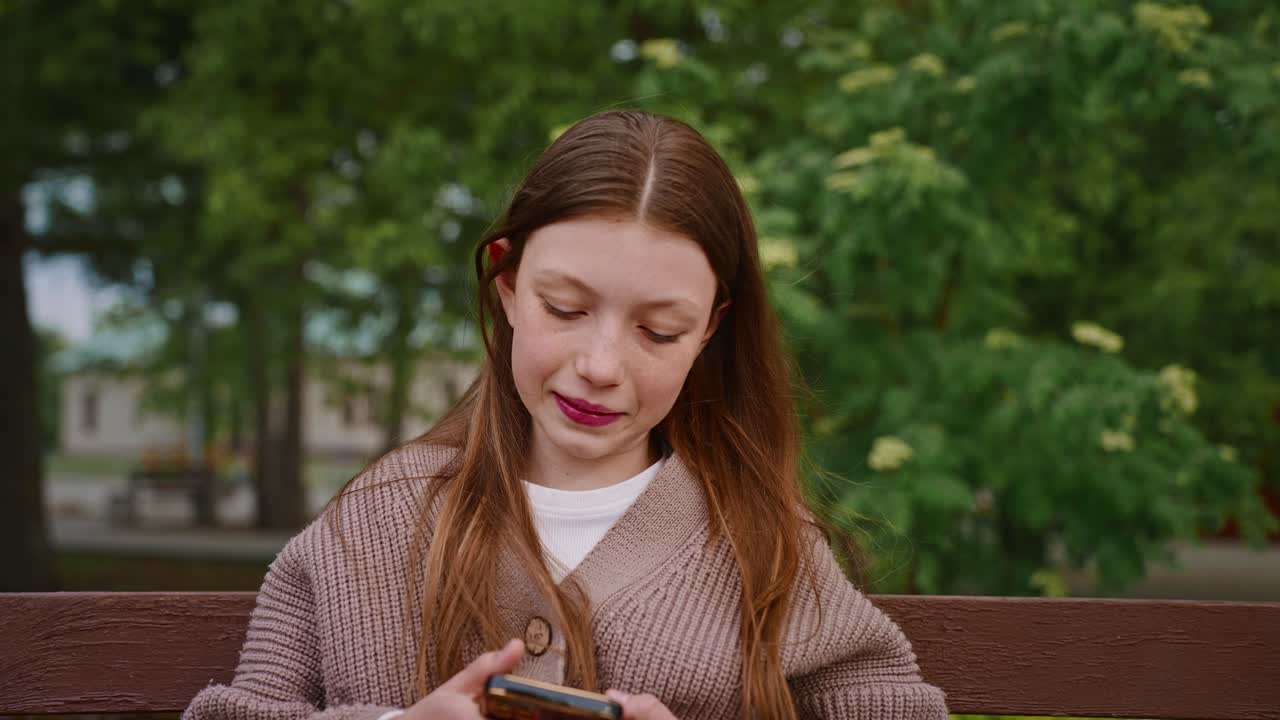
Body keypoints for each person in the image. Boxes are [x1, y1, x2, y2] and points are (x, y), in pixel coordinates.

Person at [182, 110, 948, 720]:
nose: (602, 366)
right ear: (507, 283)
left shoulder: (767, 547)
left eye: (658, 331)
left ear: (710, 329)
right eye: (566, 308)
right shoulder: (374, 523)